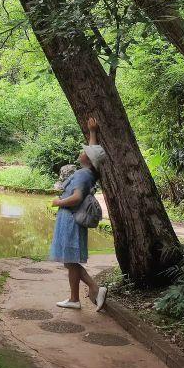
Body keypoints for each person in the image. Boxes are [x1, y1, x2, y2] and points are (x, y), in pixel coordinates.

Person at [49, 117, 108, 311]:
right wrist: (93, 132)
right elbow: (94, 154)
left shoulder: (82, 175)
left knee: (70, 261)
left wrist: (58, 202)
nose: (82, 152)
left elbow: (76, 198)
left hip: (70, 219)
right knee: (70, 261)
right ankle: (74, 299)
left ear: (88, 160)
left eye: (85, 152)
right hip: (72, 219)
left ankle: (94, 288)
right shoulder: (89, 171)